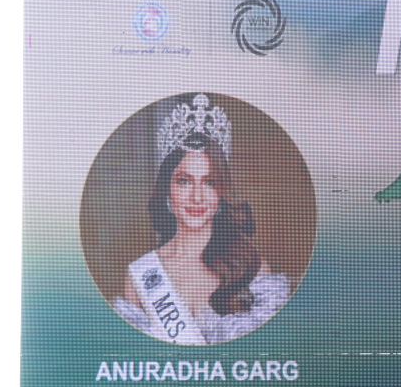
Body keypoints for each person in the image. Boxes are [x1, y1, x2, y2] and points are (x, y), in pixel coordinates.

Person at [114, 93, 292, 345]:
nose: (197, 197)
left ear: (221, 191)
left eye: (209, 182)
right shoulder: (140, 276)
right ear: (167, 189)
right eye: (184, 181)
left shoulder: (253, 269)